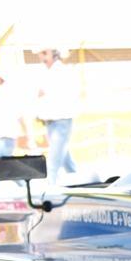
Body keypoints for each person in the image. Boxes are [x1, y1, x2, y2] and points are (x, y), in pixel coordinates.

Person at [32, 46, 77, 185]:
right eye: (41, 54)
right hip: (51, 121)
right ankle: (80, 181)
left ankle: (50, 187)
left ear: (54, 54)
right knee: (64, 158)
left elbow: (50, 95)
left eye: (45, 53)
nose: (42, 57)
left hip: (61, 119)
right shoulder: (47, 72)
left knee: (54, 159)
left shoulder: (61, 71)